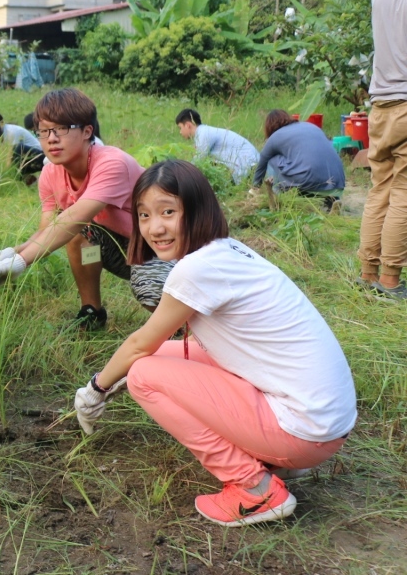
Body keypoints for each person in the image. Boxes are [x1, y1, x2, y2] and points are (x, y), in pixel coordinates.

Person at [74, 160, 356, 527]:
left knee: (143, 373)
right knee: (155, 358)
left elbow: (140, 344)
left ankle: (255, 487)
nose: (154, 227)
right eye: (143, 215)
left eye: (168, 212)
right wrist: (114, 373)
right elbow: (153, 345)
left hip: (305, 432)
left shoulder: (196, 269)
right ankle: (273, 460)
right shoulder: (226, 250)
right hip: (324, 421)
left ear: (197, 210)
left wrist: (97, 388)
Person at [0, 88, 171, 328]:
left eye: (62, 129)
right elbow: (50, 228)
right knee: (81, 236)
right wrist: (10, 254)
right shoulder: (49, 174)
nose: (51, 138)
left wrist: (21, 262)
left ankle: (183, 327)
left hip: (167, 250)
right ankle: (92, 311)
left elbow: (76, 217)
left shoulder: (111, 163)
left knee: (147, 286)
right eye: (44, 131)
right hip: (127, 247)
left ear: (87, 131)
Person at [358, 0, 407, 301]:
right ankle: (390, 281)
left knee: (380, 190)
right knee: (403, 192)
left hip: (380, 104)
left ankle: (367, 273)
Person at [252, 110, 345, 211]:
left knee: (271, 158)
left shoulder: (275, 136)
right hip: (338, 183)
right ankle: (332, 201)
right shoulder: (310, 126)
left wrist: (255, 188)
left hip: (308, 184)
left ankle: (278, 199)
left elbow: (262, 163)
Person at [175, 108, 259, 183]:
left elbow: (197, 161)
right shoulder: (204, 132)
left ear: (188, 125)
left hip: (249, 164)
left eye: (180, 128)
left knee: (204, 168)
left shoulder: (203, 133)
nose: (180, 132)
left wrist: (179, 175)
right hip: (250, 163)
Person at [0, 111, 45, 184]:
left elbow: (11, 154)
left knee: (16, 159)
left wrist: (5, 174)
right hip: (26, 156)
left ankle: (36, 181)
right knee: (16, 165)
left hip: (41, 154)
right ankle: (34, 182)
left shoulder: (10, 132)